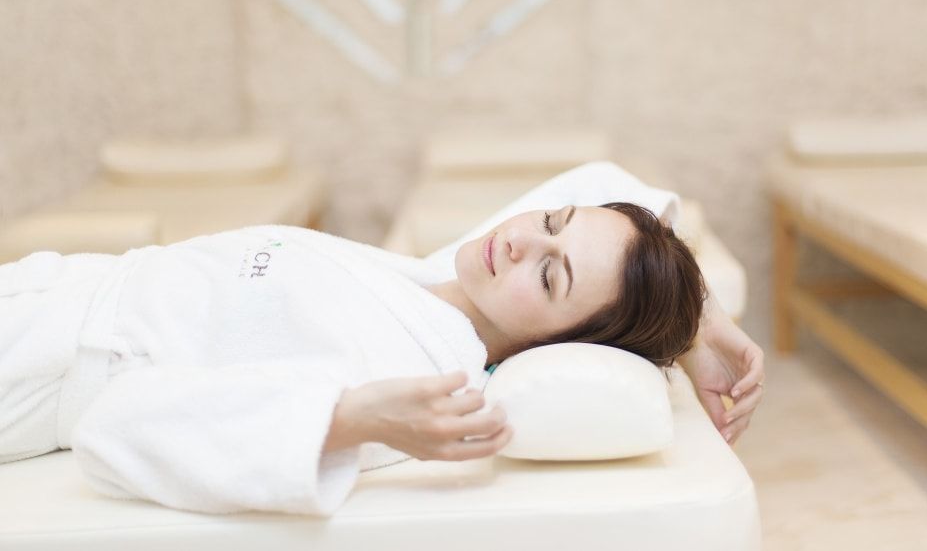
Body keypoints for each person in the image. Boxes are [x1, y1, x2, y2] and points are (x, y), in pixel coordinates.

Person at [0, 161, 763, 515]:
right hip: (43, 287)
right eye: (550, 221)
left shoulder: (411, 377)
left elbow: (116, 427)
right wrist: (699, 320)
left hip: (35, 364)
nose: (521, 240)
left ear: (555, 343)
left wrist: (344, 420)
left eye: (550, 275)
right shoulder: (449, 285)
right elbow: (603, 185)